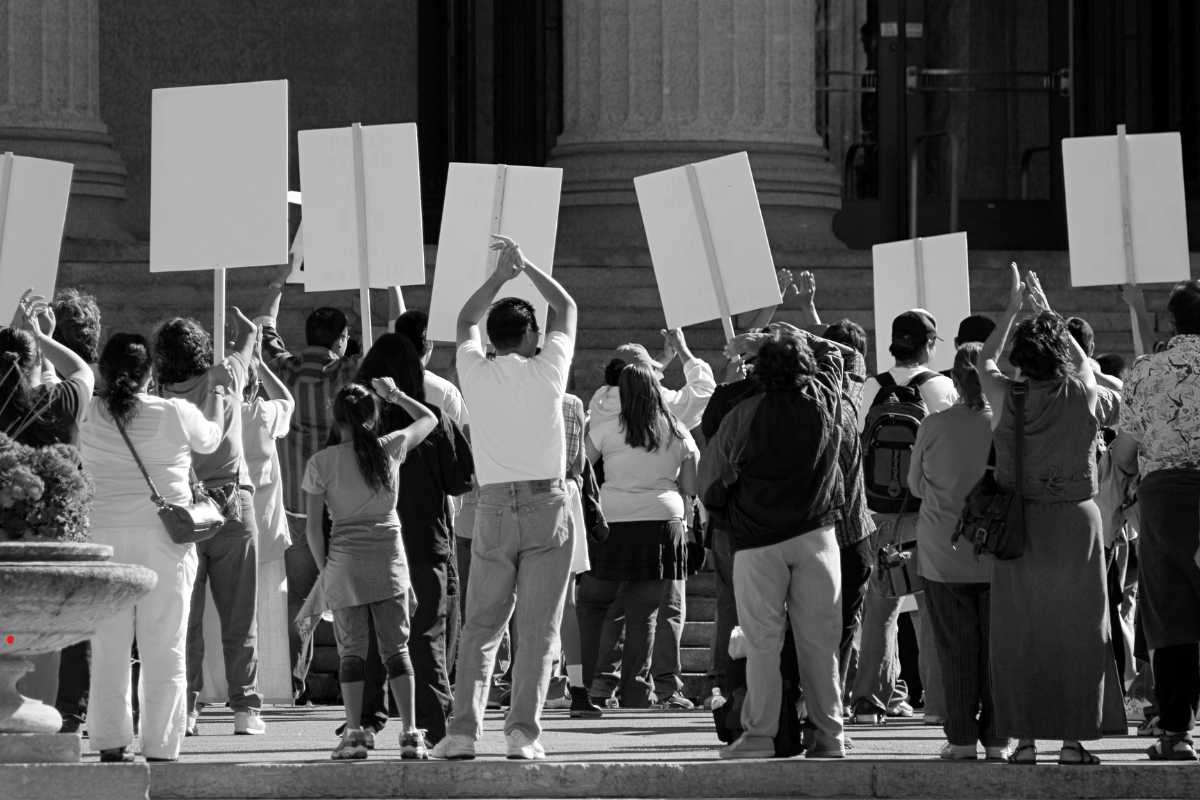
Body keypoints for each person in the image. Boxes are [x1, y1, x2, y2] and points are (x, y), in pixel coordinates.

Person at [430, 234, 577, 760]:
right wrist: (527, 266)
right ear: (533, 334)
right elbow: (566, 305)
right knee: (538, 630)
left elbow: (462, 321)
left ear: (494, 338)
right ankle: (521, 734)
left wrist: (498, 276)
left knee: (481, 627)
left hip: (490, 506)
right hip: (546, 505)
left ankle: (464, 731)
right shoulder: (549, 368)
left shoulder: (475, 370)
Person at [978, 265, 1111, 765]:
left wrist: (1012, 308)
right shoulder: (1082, 392)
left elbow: (984, 358)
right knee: (1079, 631)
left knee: (1019, 631)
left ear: (1022, 360)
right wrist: (1048, 310)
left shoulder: (1004, 395)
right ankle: (1074, 742)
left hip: (1019, 522)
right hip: (1075, 521)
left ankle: (1025, 741)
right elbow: (1085, 363)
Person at [700, 329, 848, 759]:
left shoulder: (742, 413)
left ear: (759, 370)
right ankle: (829, 735)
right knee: (820, 645)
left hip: (757, 539)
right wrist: (783, 335)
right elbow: (839, 355)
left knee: (762, 643)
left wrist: (729, 510)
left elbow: (709, 481)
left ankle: (761, 735)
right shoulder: (825, 397)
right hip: (818, 536)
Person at [80, 333, 222, 762]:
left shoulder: (88, 413)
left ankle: (109, 740)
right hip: (165, 541)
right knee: (165, 646)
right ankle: (161, 745)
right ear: (151, 374)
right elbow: (212, 441)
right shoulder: (175, 411)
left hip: (103, 539)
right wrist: (218, 393)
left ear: (104, 371)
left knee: (108, 649)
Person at [303, 380, 438, 760]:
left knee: (352, 653)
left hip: (344, 562)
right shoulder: (390, 447)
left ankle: (355, 734)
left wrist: (325, 570)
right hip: (389, 558)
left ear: (337, 417)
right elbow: (429, 419)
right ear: (372, 416)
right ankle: (411, 733)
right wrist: (397, 395)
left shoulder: (321, 463)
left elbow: (314, 530)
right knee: (398, 649)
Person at [352, 333, 474, 746]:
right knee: (425, 635)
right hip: (425, 539)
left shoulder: (356, 424)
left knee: (371, 635)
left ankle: (366, 719)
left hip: (370, 542)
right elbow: (460, 481)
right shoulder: (432, 418)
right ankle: (435, 725)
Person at [586, 328, 712, 709]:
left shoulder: (601, 416)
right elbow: (690, 485)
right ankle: (642, 690)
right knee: (650, 613)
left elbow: (580, 469)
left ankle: (598, 685)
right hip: (663, 521)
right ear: (655, 385)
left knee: (612, 610)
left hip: (613, 520)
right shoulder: (675, 424)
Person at [256, 273, 363, 712]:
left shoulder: (284, 369)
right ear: (340, 339)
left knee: (300, 600)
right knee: (354, 597)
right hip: (340, 508)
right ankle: (358, 682)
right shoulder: (346, 373)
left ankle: (294, 682)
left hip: (294, 506)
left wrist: (279, 281)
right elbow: (389, 341)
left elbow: (263, 326)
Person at [155, 309, 264, 736]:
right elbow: (250, 339)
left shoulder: (159, 394)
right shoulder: (226, 378)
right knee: (241, 617)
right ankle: (246, 709)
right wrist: (243, 330)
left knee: (188, 618)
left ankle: (189, 708)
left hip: (183, 509)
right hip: (233, 505)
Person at [850, 310, 956, 725]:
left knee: (880, 608)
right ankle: (938, 702)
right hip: (925, 513)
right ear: (929, 344)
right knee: (932, 609)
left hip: (875, 512)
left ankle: (867, 702)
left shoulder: (870, 388)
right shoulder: (941, 388)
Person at [907, 343, 1007, 761]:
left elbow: (914, 486)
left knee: (955, 648)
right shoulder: (1004, 424)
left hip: (941, 550)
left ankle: (962, 737)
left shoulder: (934, 425)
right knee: (996, 649)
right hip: (996, 551)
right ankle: (998, 740)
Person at [1119, 278, 1200, 760]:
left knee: (1171, 613)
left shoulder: (1148, 371)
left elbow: (1126, 453)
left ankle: (1176, 732)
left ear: (1172, 321)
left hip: (1166, 496)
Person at [49, 288, 103, 734]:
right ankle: (73, 710)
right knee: (81, 610)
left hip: (45, 509)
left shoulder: (42, 386)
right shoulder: (88, 387)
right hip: (82, 511)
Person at [239, 346, 295, 703]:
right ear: (254, 386)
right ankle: (269, 686)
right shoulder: (262, 412)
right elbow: (287, 399)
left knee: (223, 614)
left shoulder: (216, 413)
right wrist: (259, 365)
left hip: (228, 525)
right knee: (268, 612)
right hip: (266, 525)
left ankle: (220, 685)